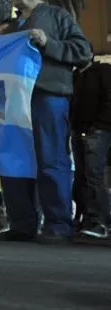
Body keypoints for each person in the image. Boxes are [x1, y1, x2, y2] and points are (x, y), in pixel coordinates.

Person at [0, 0, 91, 244]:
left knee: (51, 159)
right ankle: (22, 224)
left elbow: (83, 51)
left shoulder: (57, 16)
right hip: (16, 102)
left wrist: (48, 43)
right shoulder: (15, 26)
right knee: (15, 160)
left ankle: (58, 225)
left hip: (47, 97)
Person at [71, 44, 111, 239]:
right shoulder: (75, 76)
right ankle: (86, 217)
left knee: (94, 175)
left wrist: (97, 125)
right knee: (82, 176)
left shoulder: (102, 72)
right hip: (80, 132)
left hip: (98, 131)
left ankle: (100, 221)